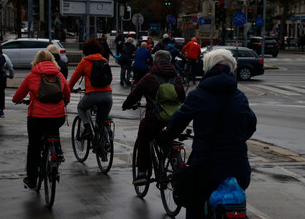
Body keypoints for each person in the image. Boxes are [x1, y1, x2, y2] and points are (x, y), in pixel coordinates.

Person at [165, 48, 257, 218]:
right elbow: (251, 125)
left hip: (206, 168)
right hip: (238, 168)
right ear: (232, 69)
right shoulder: (239, 96)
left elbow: (178, 120)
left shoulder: (198, 95)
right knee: (236, 201)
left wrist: (168, 133)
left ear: (207, 69)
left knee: (194, 204)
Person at [122, 50, 185, 185]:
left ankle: (142, 173)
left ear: (155, 61)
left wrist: (126, 105)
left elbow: (135, 94)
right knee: (167, 138)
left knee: (143, 139)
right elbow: (182, 98)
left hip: (153, 119)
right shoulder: (177, 78)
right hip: (174, 120)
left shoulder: (149, 77)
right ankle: (171, 160)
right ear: (169, 61)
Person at [12, 50, 70, 190]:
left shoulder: (32, 75)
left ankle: (32, 180)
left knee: (34, 147)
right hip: (57, 117)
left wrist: (17, 100)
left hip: (37, 118)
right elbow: (67, 95)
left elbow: (17, 95)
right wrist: (64, 103)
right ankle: (56, 152)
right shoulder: (59, 75)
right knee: (53, 128)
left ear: (36, 61)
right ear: (52, 60)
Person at [68, 38, 113, 137]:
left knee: (81, 108)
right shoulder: (104, 60)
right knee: (100, 121)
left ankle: (87, 128)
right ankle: (104, 142)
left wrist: (69, 88)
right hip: (107, 96)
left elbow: (74, 77)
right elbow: (110, 78)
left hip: (92, 95)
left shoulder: (85, 61)